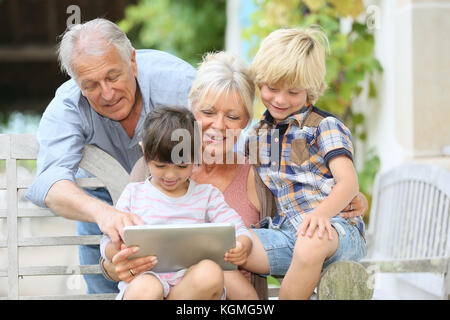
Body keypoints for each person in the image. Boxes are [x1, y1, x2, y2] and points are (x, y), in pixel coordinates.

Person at [100, 51, 369, 299]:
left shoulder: (262, 168)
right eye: (207, 112)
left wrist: (350, 200)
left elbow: (297, 221)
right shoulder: (155, 165)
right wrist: (117, 266)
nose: (218, 125)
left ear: (246, 122)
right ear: (192, 109)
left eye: (232, 116)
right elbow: (115, 243)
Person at [24, 18, 196, 294]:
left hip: (180, 202)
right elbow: (50, 182)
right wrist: (103, 214)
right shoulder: (68, 104)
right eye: (90, 85)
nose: (107, 93)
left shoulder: (178, 83)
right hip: (101, 203)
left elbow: (223, 146)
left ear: (133, 62)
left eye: (113, 76)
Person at [239, 27, 367, 299]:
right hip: (288, 236)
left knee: (310, 244)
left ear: (310, 90)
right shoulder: (259, 135)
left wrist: (322, 213)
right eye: (272, 88)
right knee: (233, 245)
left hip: (336, 233)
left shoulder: (324, 126)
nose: (281, 99)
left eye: (293, 92)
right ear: (259, 82)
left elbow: (348, 182)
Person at [100, 106, 257, 299]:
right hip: (145, 280)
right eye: (160, 166)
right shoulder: (134, 193)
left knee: (210, 271)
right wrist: (116, 252)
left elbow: (238, 229)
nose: (171, 175)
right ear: (144, 153)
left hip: (189, 287)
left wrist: (242, 245)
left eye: (182, 166)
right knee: (148, 287)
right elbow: (108, 240)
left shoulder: (207, 196)